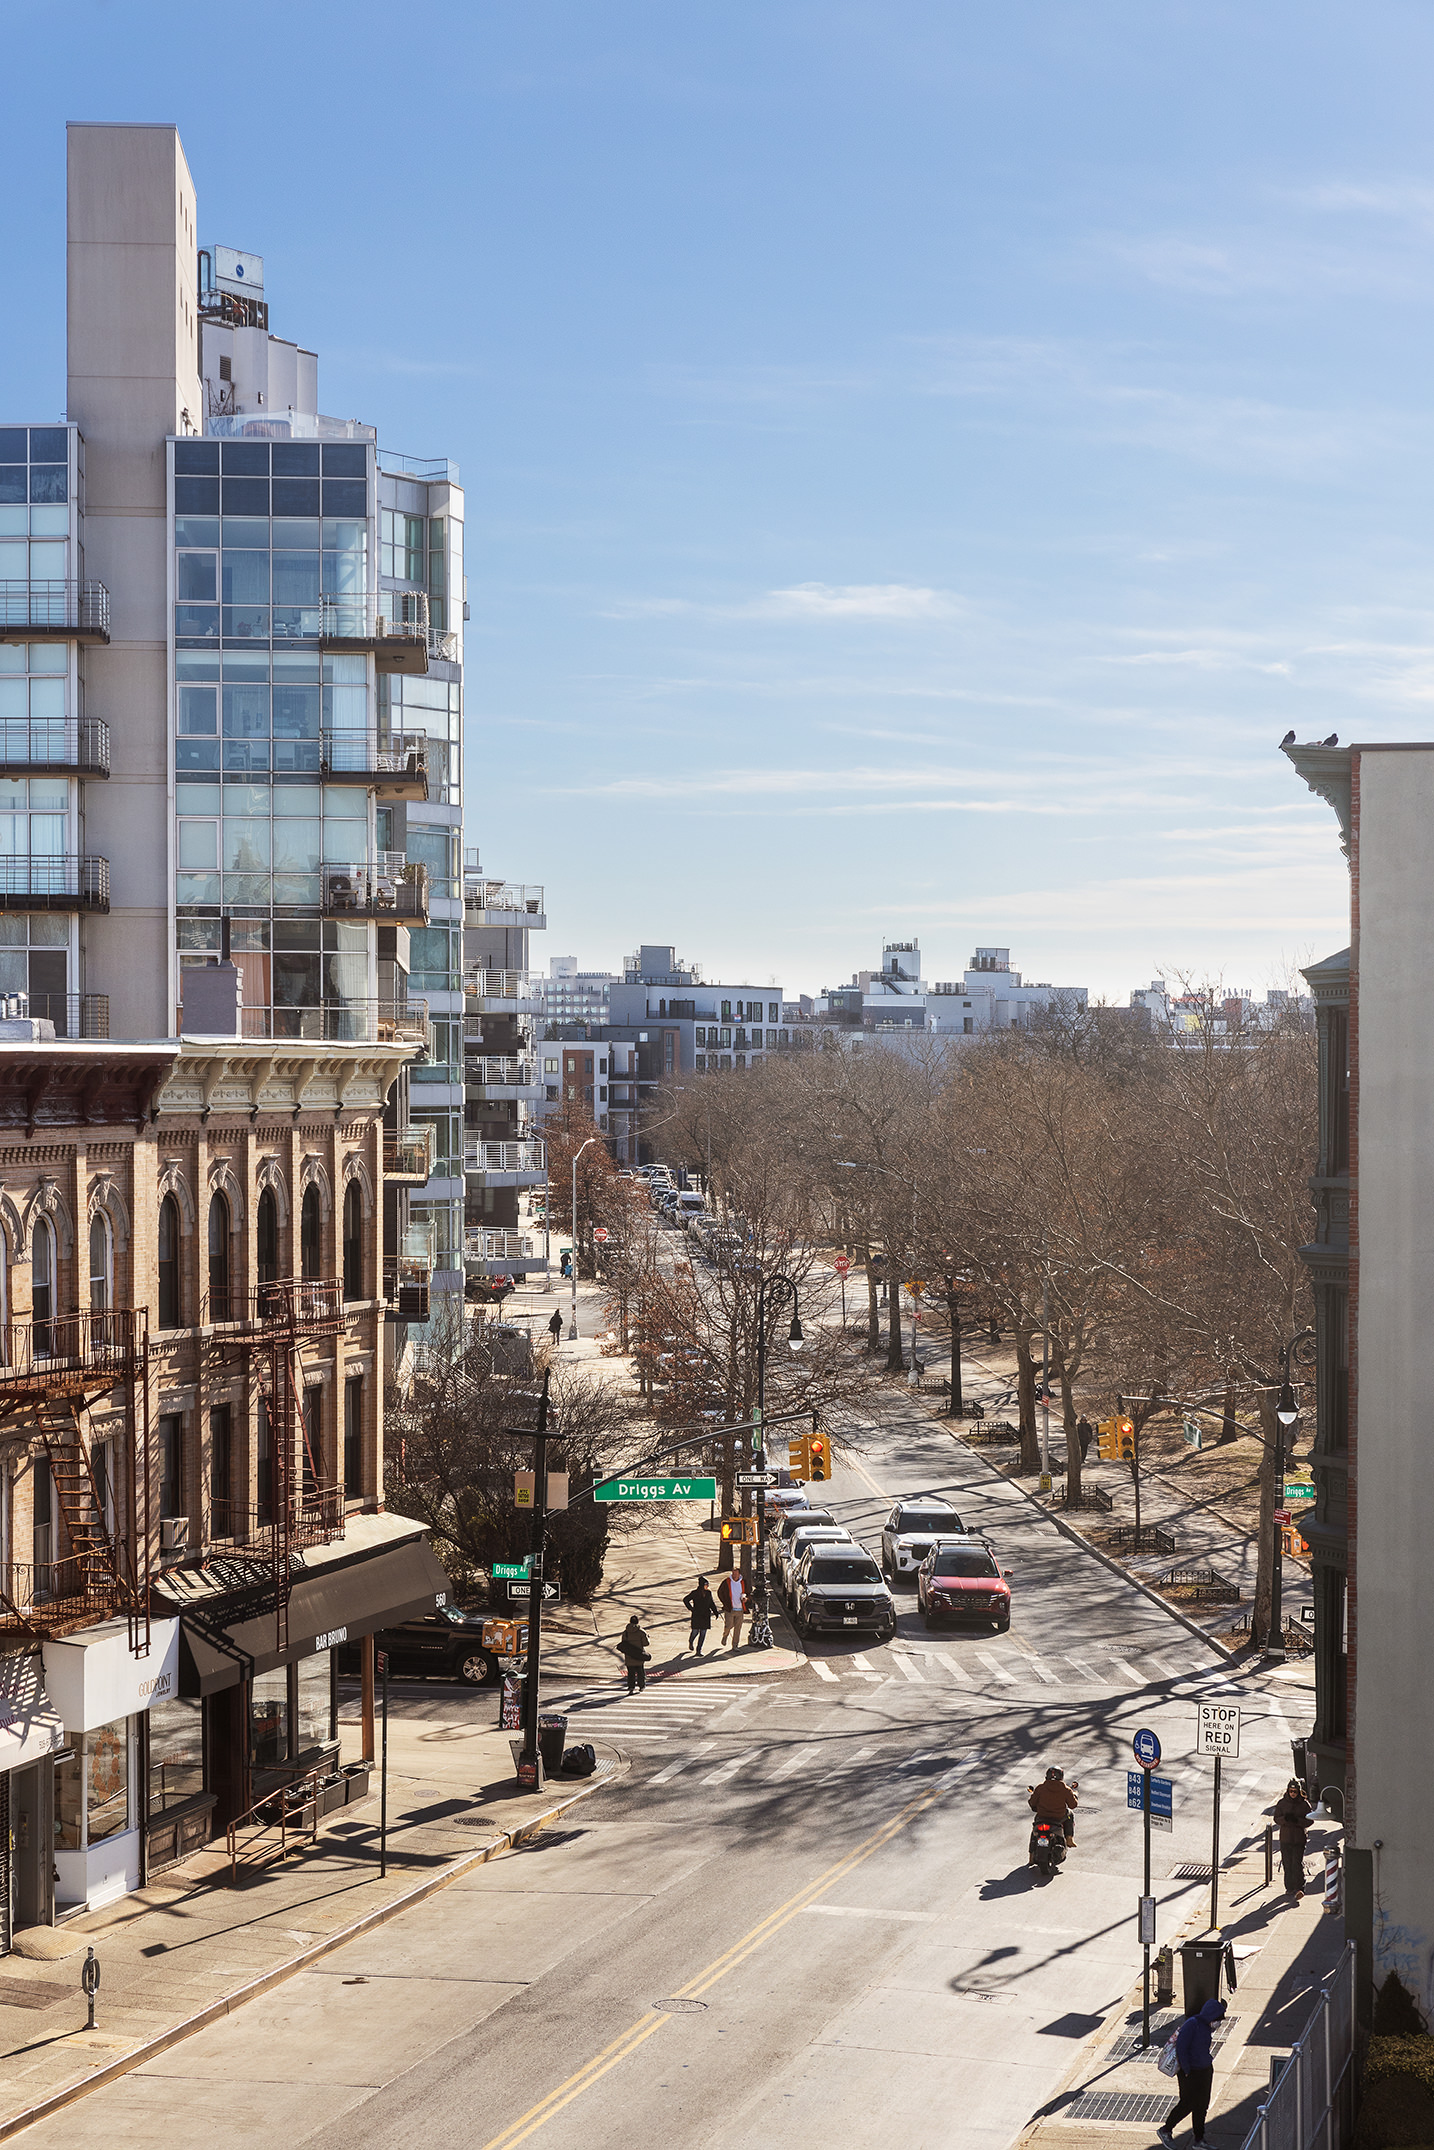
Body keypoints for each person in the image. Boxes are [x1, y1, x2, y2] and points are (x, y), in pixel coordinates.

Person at [1158, 1997, 1228, 2145]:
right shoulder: (1192, 2024)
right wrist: (1187, 2069)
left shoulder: (1205, 2027)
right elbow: (1182, 2048)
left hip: (1204, 2070)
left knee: (1202, 2105)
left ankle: (1199, 2138)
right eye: (1217, 2019)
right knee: (1188, 2103)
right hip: (1190, 2072)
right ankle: (1166, 2129)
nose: (1218, 2023)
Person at [1027, 1766, 1079, 1861]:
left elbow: (1032, 1803)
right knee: (1070, 1814)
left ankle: (1031, 1855)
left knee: (1034, 1832)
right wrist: (1074, 1795)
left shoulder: (1040, 1788)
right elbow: (1073, 1805)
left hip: (1042, 1816)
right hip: (1058, 1817)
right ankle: (1069, 1839)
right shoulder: (1065, 1789)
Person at [1273, 1778, 1313, 1898]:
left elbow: (1310, 1820)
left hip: (1298, 1839)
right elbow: (1276, 1818)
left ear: (1299, 1791)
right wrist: (1285, 1819)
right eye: (1291, 1791)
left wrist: (1297, 1821)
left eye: (1295, 1791)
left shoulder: (1304, 1804)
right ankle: (1289, 1887)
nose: (1293, 1794)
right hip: (1285, 1838)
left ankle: (1299, 1886)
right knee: (1287, 1863)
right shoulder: (1282, 1803)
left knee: (1296, 1863)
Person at [683, 1576, 717, 1656]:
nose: (707, 1586)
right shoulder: (695, 1593)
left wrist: (715, 1612)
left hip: (705, 1616)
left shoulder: (708, 1593)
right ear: (702, 1585)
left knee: (703, 1633)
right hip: (697, 1615)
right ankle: (691, 1641)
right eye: (706, 1584)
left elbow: (711, 1603)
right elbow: (686, 1600)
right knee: (695, 1631)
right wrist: (691, 1608)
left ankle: (699, 1650)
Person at [617, 1614, 650, 1695]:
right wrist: (648, 1637)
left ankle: (631, 1686)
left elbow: (623, 1644)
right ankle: (641, 1686)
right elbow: (646, 1643)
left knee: (631, 1672)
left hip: (629, 1655)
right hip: (639, 1654)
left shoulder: (626, 1632)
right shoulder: (641, 1632)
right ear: (637, 1622)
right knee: (640, 1671)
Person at [717, 1569, 746, 1649]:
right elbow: (720, 1592)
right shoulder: (726, 1582)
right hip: (730, 1609)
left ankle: (735, 1645)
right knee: (728, 1625)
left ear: (739, 1574)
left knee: (738, 1628)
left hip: (740, 1609)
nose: (734, 1576)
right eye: (733, 1574)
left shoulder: (743, 1582)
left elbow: (748, 1593)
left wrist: (746, 1599)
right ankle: (725, 1635)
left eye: (736, 1574)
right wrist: (725, 1603)